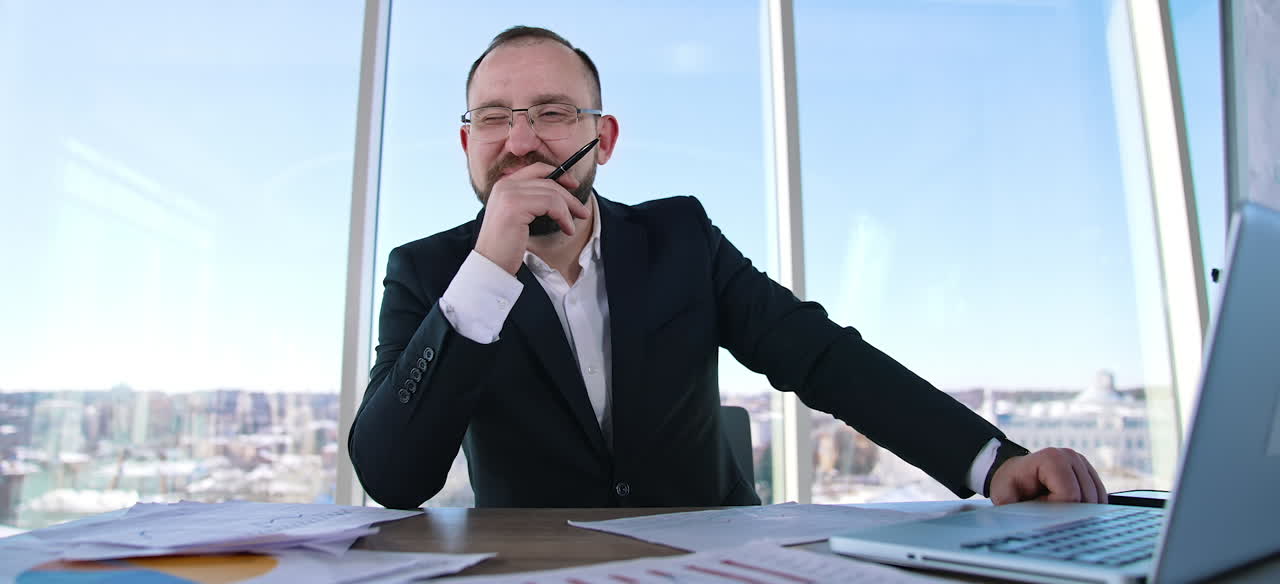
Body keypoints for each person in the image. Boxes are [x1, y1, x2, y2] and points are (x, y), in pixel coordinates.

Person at [348, 25, 1107, 509]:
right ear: (466, 143)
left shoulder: (680, 237)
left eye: (551, 113)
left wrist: (992, 462)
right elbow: (393, 478)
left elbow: (824, 357)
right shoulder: (428, 273)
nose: (520, 142)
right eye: (493, 118)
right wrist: (488, 270)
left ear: (602, 138)